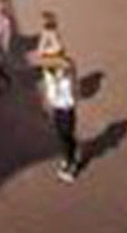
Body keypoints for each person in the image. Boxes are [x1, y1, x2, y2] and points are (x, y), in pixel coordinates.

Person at [42, 54, 79, 183]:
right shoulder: (50, 76)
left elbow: (70, 64)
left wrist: (59, 64)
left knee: (67, 135)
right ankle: (69, 157)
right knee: (61, 135)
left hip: (67, 109)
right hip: (57, 109)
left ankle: (71, 164)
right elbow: (49, 92)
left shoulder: (68, 76)